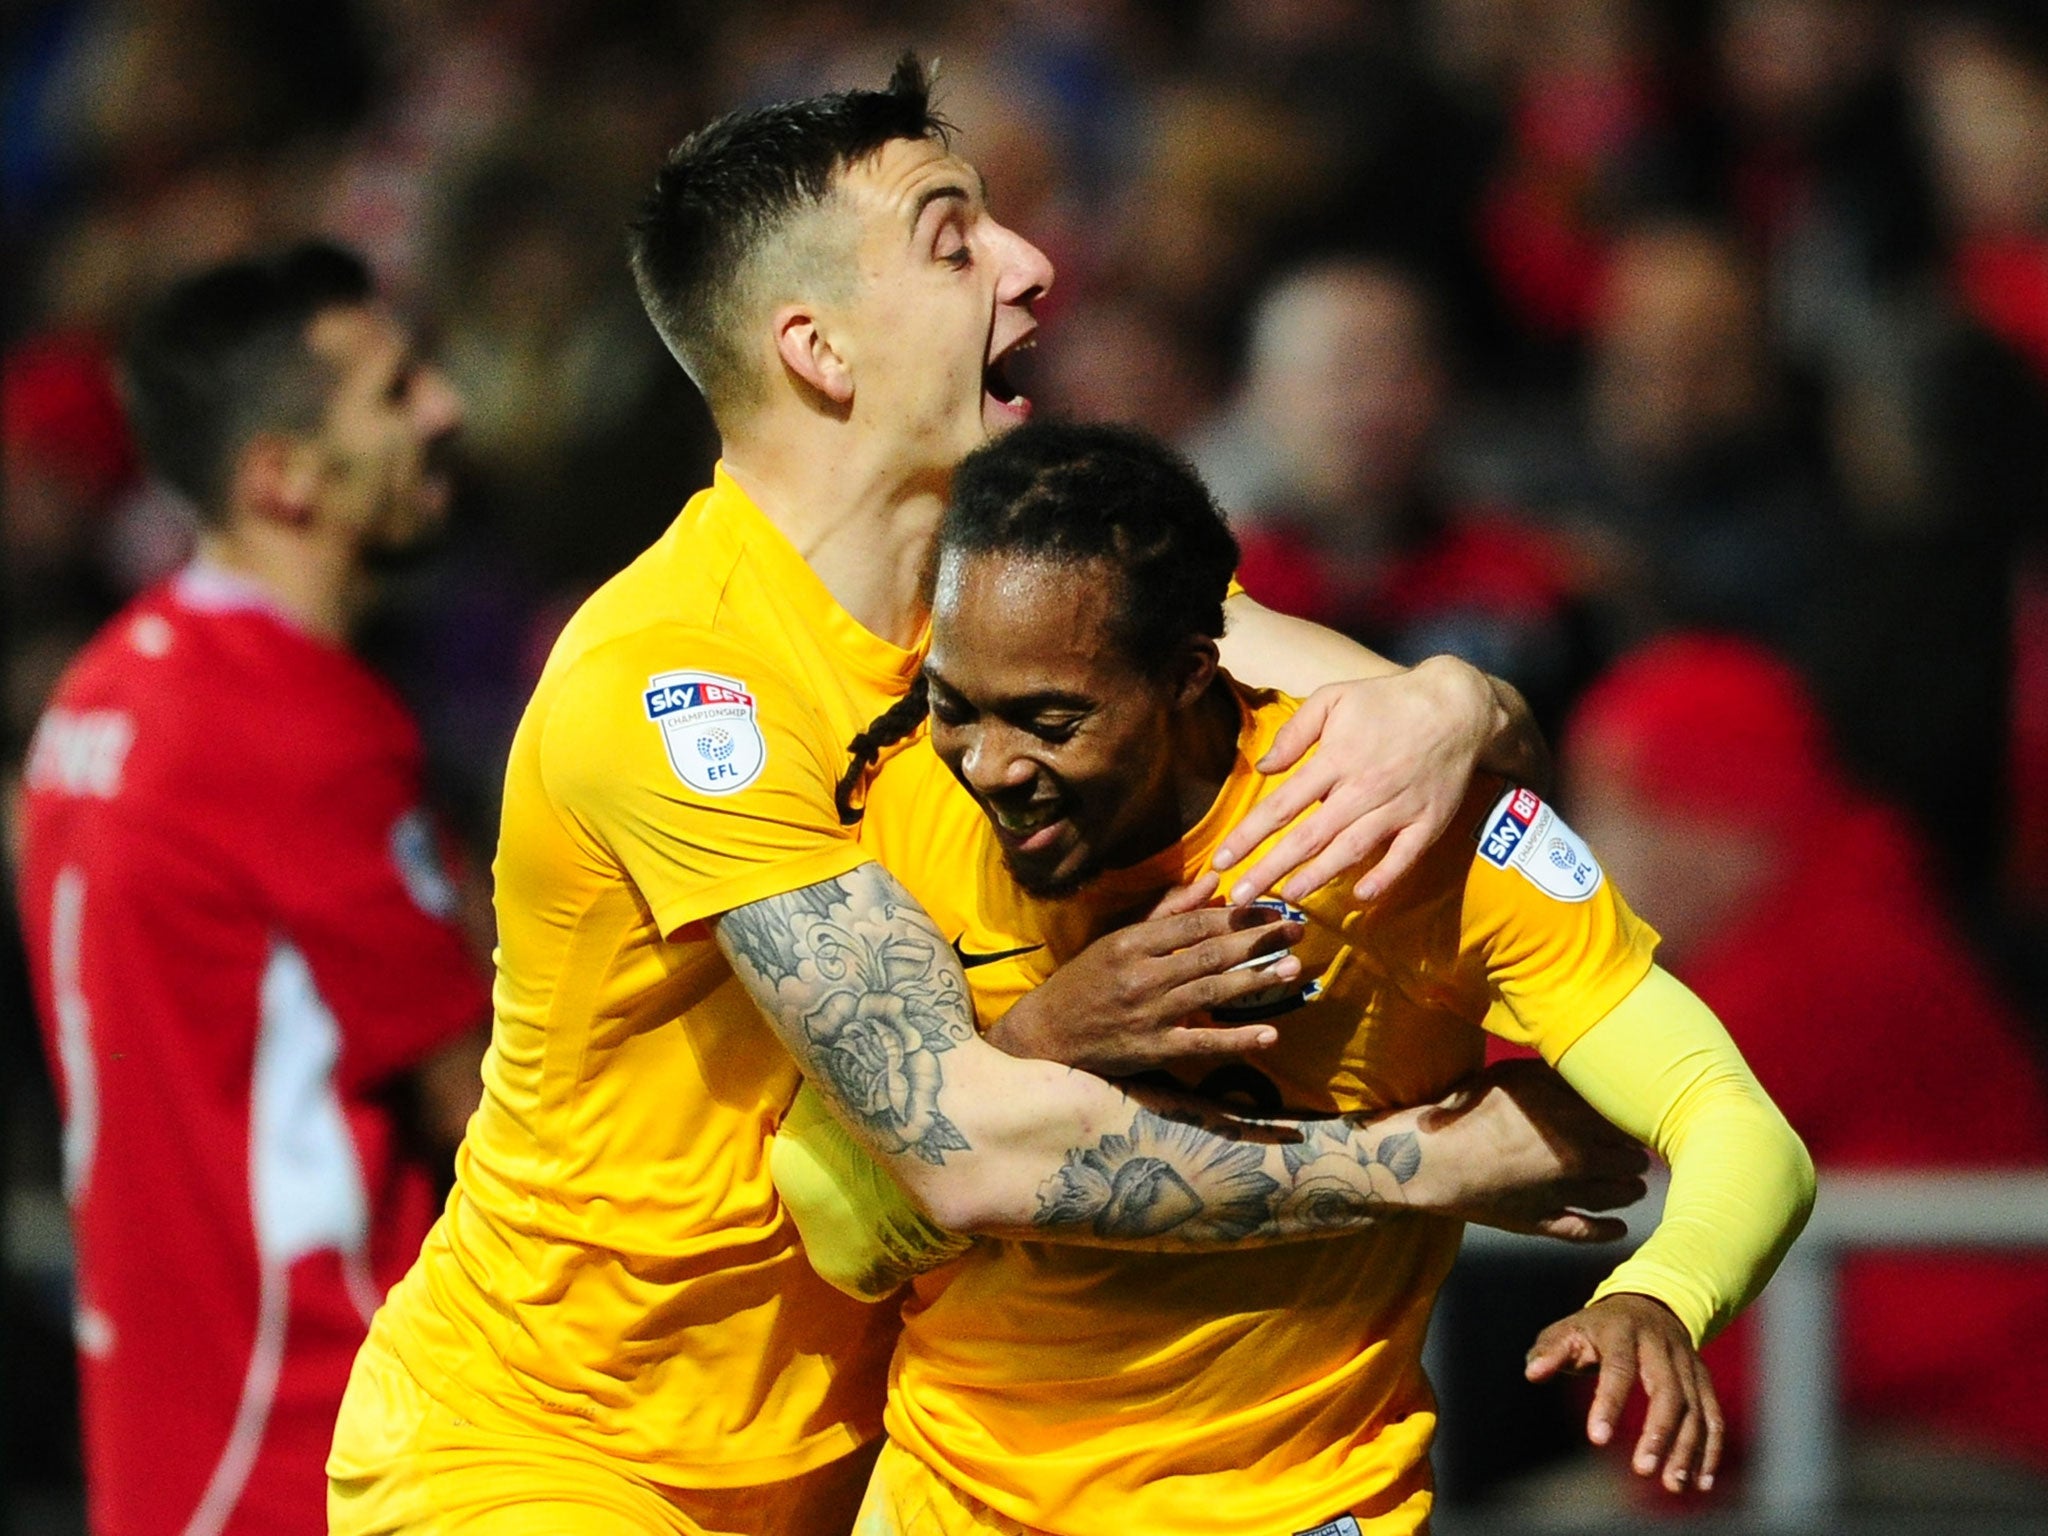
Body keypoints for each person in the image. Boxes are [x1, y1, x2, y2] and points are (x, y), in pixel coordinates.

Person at [328, 57, 1612, 1536]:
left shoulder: (1020, 613)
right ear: (819, 350)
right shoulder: (679, 680)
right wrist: (1432, 1163)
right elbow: (971, 1146)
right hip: (534, 1457)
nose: (1034, 264)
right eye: (954, 239)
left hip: (832, 1468)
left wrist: (1457, 701)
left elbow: (1423, 720)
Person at [775, 421, 1816, 1535]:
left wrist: (1659, 1293)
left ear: (1187, 672)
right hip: (949, 1502)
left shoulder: (1402, 839)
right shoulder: (892, 811)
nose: (989, 767)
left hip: (1289, 1509)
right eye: (952, 708)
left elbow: (1742, 1130)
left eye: (1049, 720)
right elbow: (834, 1221)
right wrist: (1041, 1039)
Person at [13, 242, 492, 1536]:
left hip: (168, 1414)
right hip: (313, 1419)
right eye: (395, 393)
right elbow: (485, 1099)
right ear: (281, 477)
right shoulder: (293, 722)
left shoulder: (101, 695)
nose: (443, 410)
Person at [1564, 632, 2048, 1497]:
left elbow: (1543, 1113)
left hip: (1957, 1437)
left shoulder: (1834, 958)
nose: (1585, 859)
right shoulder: (1833, 928)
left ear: (1709, 821)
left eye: (1608, 812)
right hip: (1845, 1422)